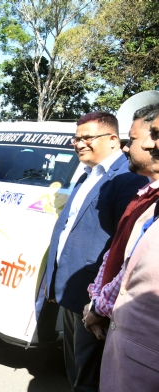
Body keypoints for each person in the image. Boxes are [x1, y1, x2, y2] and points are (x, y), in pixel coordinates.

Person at [43, 111, 148, 392]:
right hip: (70, 292)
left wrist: (101, 306)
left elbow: (123, 247)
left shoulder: (128, 179)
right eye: (76, 138)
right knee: (75, 371)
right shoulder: (87, 175)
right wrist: (51, 282)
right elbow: (66, 232)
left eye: (87, 137)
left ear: (114, 139)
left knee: (88, 379)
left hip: (93, 298)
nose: (79, 144)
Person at [84, 103, 159, 338]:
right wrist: (96, 300)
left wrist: (99, 307)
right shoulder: (144, 193)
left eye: (132, 140)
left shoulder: (142, 193)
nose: (127, 148)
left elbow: (133, 266)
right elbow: (115, 252)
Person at [99, 107, 159, 391]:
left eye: (156, 135)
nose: (148, 144)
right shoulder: (149, 199)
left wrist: (100, 306)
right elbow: (122, 256)